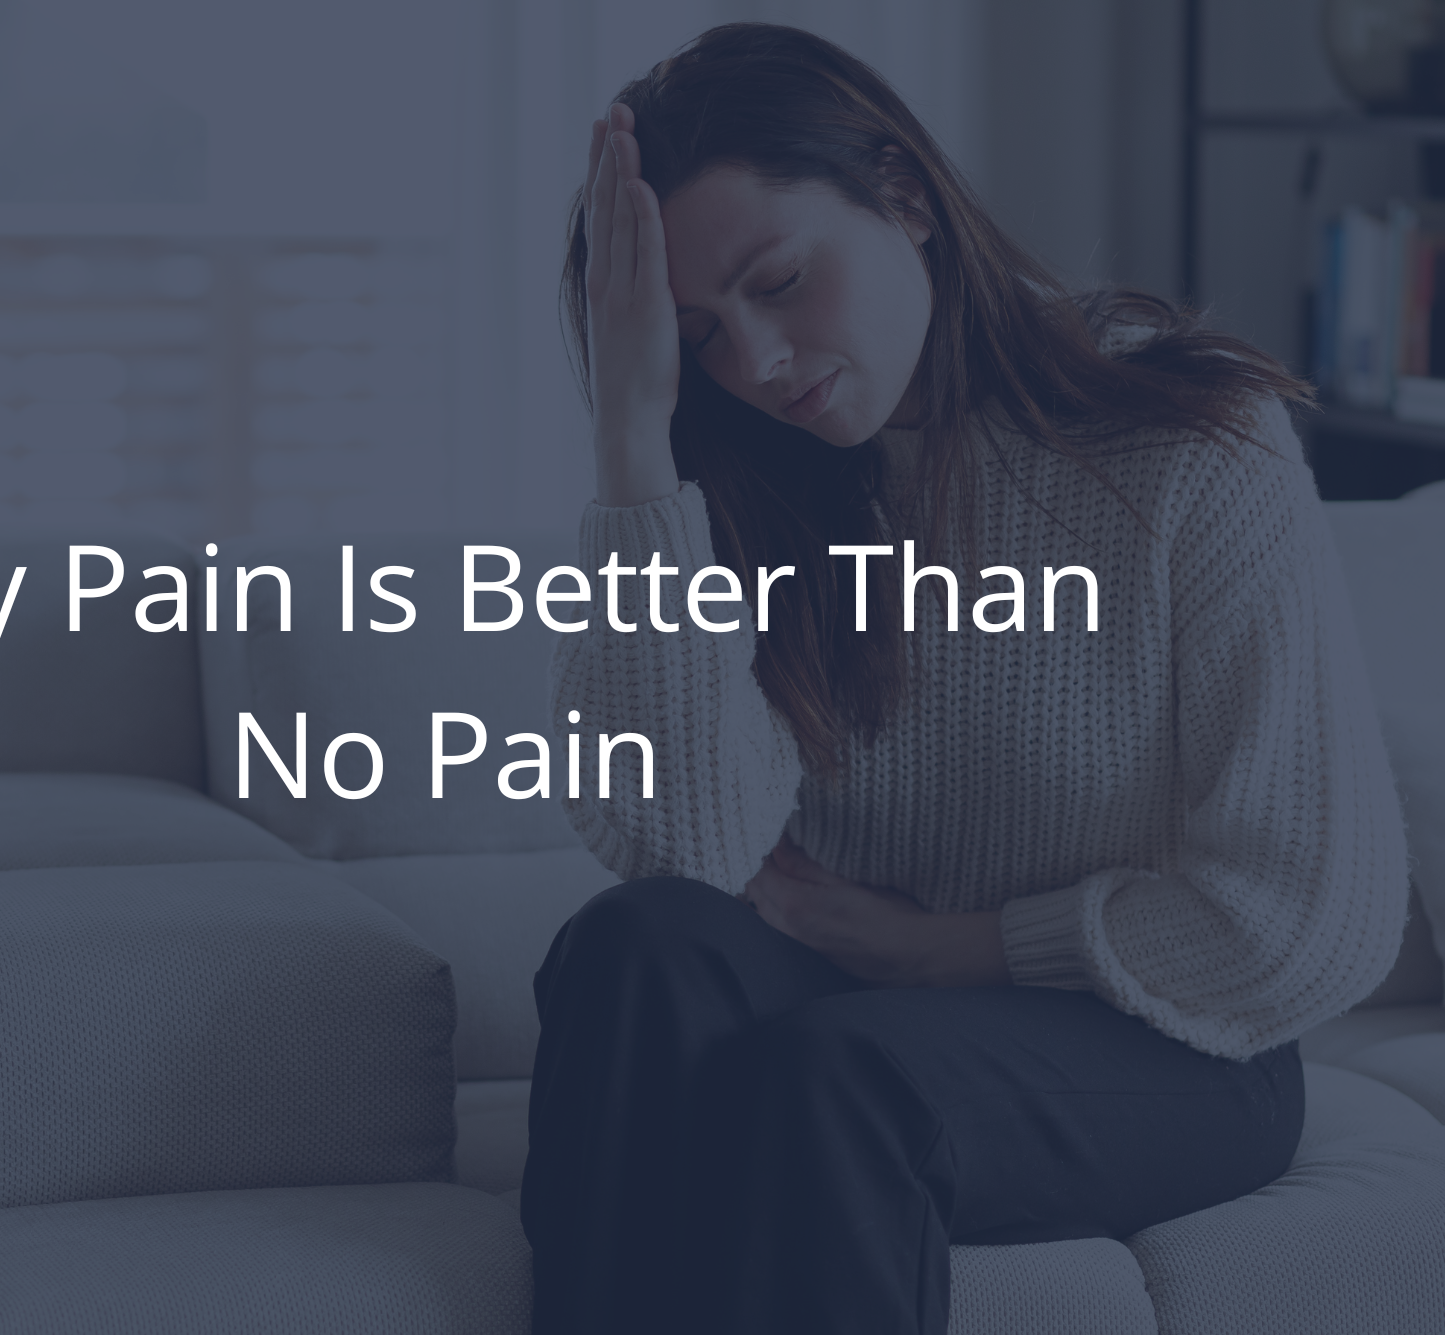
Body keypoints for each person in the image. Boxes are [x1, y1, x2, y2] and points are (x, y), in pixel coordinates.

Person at [524, 22, 1410, 1335]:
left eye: (780, 281)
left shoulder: (1189, 442)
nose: (757, 364)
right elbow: (680, 845)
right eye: (701, 332)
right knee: (628, 951)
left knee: (841, 1076)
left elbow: (1310, 920)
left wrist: (962, 951)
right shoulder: (755, 477)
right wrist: (632, 447)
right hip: (870, 1002)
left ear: (906, 195)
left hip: (1173, 1038)